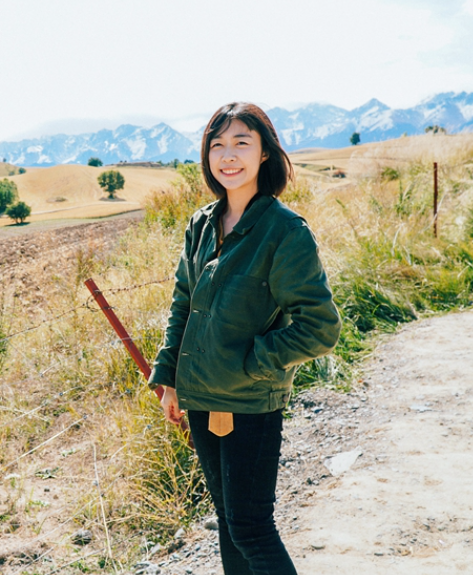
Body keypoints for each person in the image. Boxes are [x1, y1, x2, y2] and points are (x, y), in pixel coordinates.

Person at [147, 102, 342, 575]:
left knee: (251, 527)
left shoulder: (284, 232)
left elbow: (321, 327)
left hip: (250, 404)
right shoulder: (201, 224)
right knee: (230, 524)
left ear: (265, 156)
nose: (228, 156)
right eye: (218, 145)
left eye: (241, 143)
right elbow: (182, 304)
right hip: (200, 397)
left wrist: (252, 363)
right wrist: (169, 377)